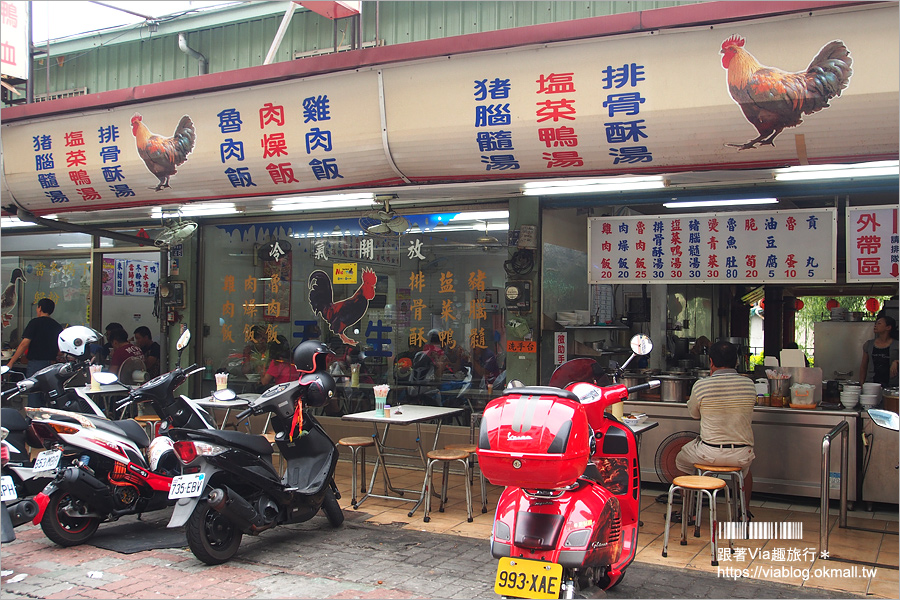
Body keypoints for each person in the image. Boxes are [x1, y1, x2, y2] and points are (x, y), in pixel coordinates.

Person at [674, 340, 756, 521]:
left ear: (710, 361)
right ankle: (745, 511)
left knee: (681, 459)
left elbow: (694, 414)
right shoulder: (749, 385)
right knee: (746, 471)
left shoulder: (702, 385)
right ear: (736, 362)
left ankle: (688, 512)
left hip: (708, 453)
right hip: (741, 453)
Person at [5, 298, 63, 407]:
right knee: (47, 395)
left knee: (33, 393)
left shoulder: (35, 323)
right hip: (51, 365)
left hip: (36, 364)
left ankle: (32, 420)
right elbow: (60, 350)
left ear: (40, 308)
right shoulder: (56, 326)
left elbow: (24, 344)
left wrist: (11, 362)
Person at [859, 315, 899, 388]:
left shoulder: (897, 345)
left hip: (892, 385)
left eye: (879, 323)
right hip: (872, 384)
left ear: (888, 327)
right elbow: (863, 366)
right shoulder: (869, 344)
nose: (875, 326)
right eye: (875, 323)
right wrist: (862, 384)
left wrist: (896, 361)